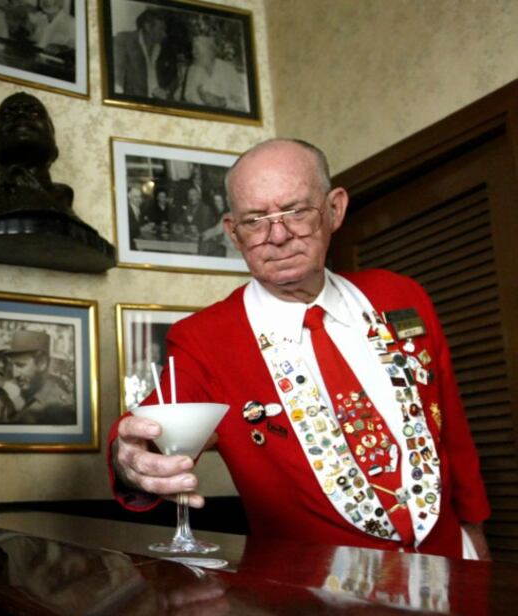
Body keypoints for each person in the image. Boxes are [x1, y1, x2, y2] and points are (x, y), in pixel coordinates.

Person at [108, 138, 491, 560]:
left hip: (450, 561)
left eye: (295, 211)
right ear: (234, 233)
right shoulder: (203, 338)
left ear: (334, 209)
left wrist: (474, 534)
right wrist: (128, 459)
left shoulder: (400, 296)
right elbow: (148, 433)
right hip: (315, 598)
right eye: (256, 219)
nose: (278, 235)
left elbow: (451, 427)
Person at [6, 329, 76, 425]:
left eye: (21, 365)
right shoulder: (19, 400)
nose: (15, 374)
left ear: (42, 363)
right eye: (12, 366)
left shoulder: (61, 408)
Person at [182, 33, 249, 112]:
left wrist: (222, 102)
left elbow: (243, 103)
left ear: (210, 50)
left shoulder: (228, 70)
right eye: (192, 49)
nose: (192, 52)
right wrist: (203, 101)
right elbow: (188, 96)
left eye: (196, 49)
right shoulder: (192, 70)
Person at [113, 9, 171, 99]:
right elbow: (117, 83)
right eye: (161, 29)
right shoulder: (124, 41)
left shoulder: (161, 49)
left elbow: (163, 81)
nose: (164, 34)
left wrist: (163, 91)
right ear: (147, 27)